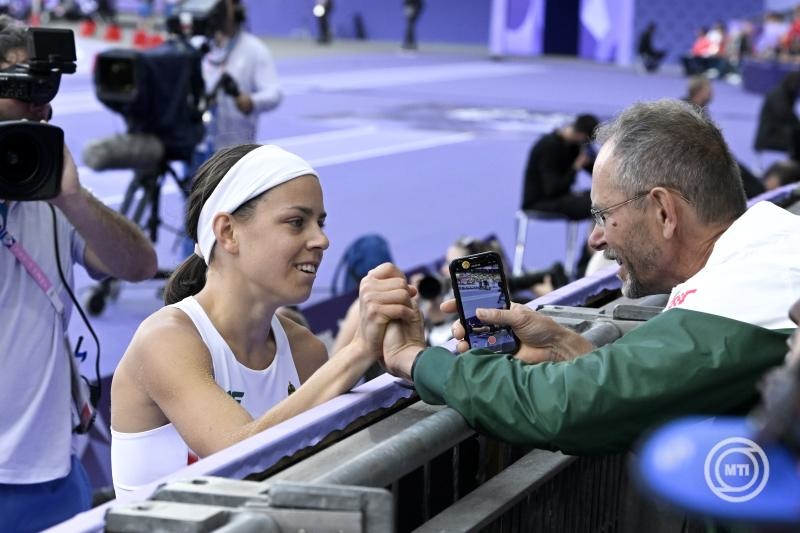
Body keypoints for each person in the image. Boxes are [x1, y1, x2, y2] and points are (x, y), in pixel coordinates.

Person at [379, 99, 800, 455]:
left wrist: (419, 360)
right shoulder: (769, 255)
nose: (596, 239)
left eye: (603, 215)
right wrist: (565, 345)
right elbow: (658, 384)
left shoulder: (741, 298)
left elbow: (561, 407)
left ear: (663, 212)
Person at [110, 144, 416, 497]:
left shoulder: (305, 350)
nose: (321, 240)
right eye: (296, 222)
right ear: (227, 232)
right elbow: (238, 455)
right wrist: (359, 347)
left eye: (320, 222)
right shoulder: (165, 341)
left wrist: (407, 359)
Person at [0, 16, 158, 531]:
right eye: (21, 91)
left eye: (45, 93)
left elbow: (138, 265)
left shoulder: (47, 197)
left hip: (51, 475)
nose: (37, 109)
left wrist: (71, 197)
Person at [201, 0, 281, 152]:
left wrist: (252, 102)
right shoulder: (199, 46)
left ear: (237, 10)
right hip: (199, 147)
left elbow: (274, 93)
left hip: (235, 151)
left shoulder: (254, 49)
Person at [520, 113, 599, 220]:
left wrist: (596, 161)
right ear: (582, 136)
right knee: (598, 204)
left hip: (561, 197)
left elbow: (595, 173)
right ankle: (593, 237)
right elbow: (553, 189)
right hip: (539, 202)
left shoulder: (573, 146)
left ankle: (592, 236)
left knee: (603, 198)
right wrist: (576, 167)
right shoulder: (549, 146)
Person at [754, 71, 800, 158]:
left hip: (778, 130)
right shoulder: (778, 95)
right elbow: (785, 115)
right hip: (769, 135)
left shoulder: (787, 93)